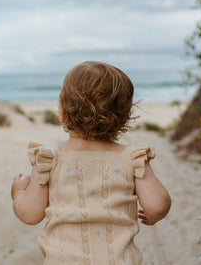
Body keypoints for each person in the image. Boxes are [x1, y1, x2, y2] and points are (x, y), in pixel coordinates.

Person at [11, 61, 171, 264]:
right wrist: (154, 215)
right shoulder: (131, 159)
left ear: (62, 112)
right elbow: (159, 204)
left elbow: (29, 213)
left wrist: (18, 193)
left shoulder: (49, 159)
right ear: (125, 116)